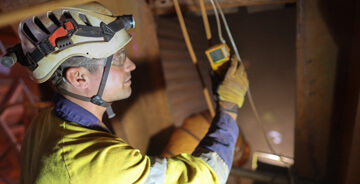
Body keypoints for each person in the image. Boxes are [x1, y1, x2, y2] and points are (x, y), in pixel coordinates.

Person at [2, 3, 248, 184]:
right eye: (118, 59)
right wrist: (229, 107)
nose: (131, 65)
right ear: (79, 78)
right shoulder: (101, 162)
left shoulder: (44, 123)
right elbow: (205, 177)